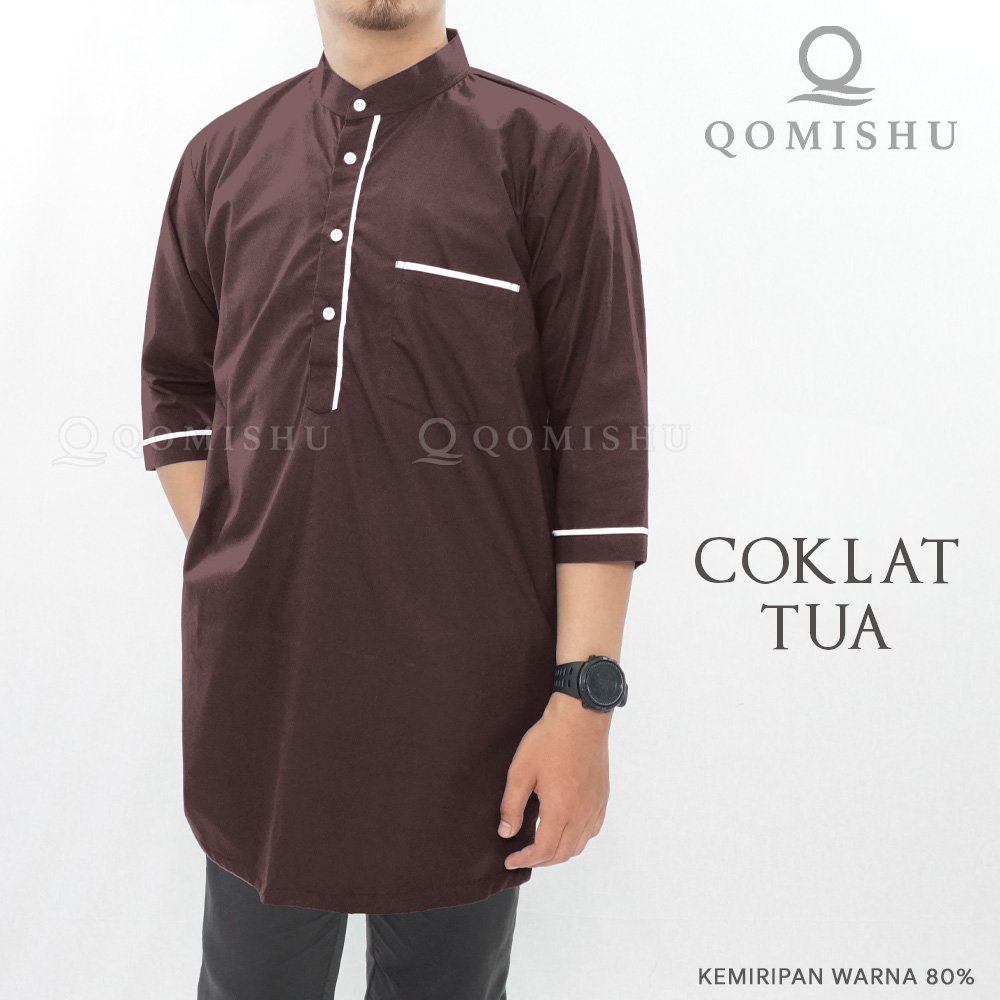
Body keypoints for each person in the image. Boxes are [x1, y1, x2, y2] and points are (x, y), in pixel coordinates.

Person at [140, 1, 648, 996]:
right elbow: (177, 387)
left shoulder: (548, 153)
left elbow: (600, 439)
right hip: (263, 691)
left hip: (471, 709)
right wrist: (245, 554)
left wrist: (583, 701)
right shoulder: (222, 157)